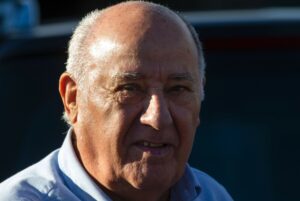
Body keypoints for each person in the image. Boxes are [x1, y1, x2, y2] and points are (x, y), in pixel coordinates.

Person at [0, 1, 234, 201]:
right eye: (130, 88)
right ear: (73, 99)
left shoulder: (213, 195)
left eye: (178, 89)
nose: (158, 118)